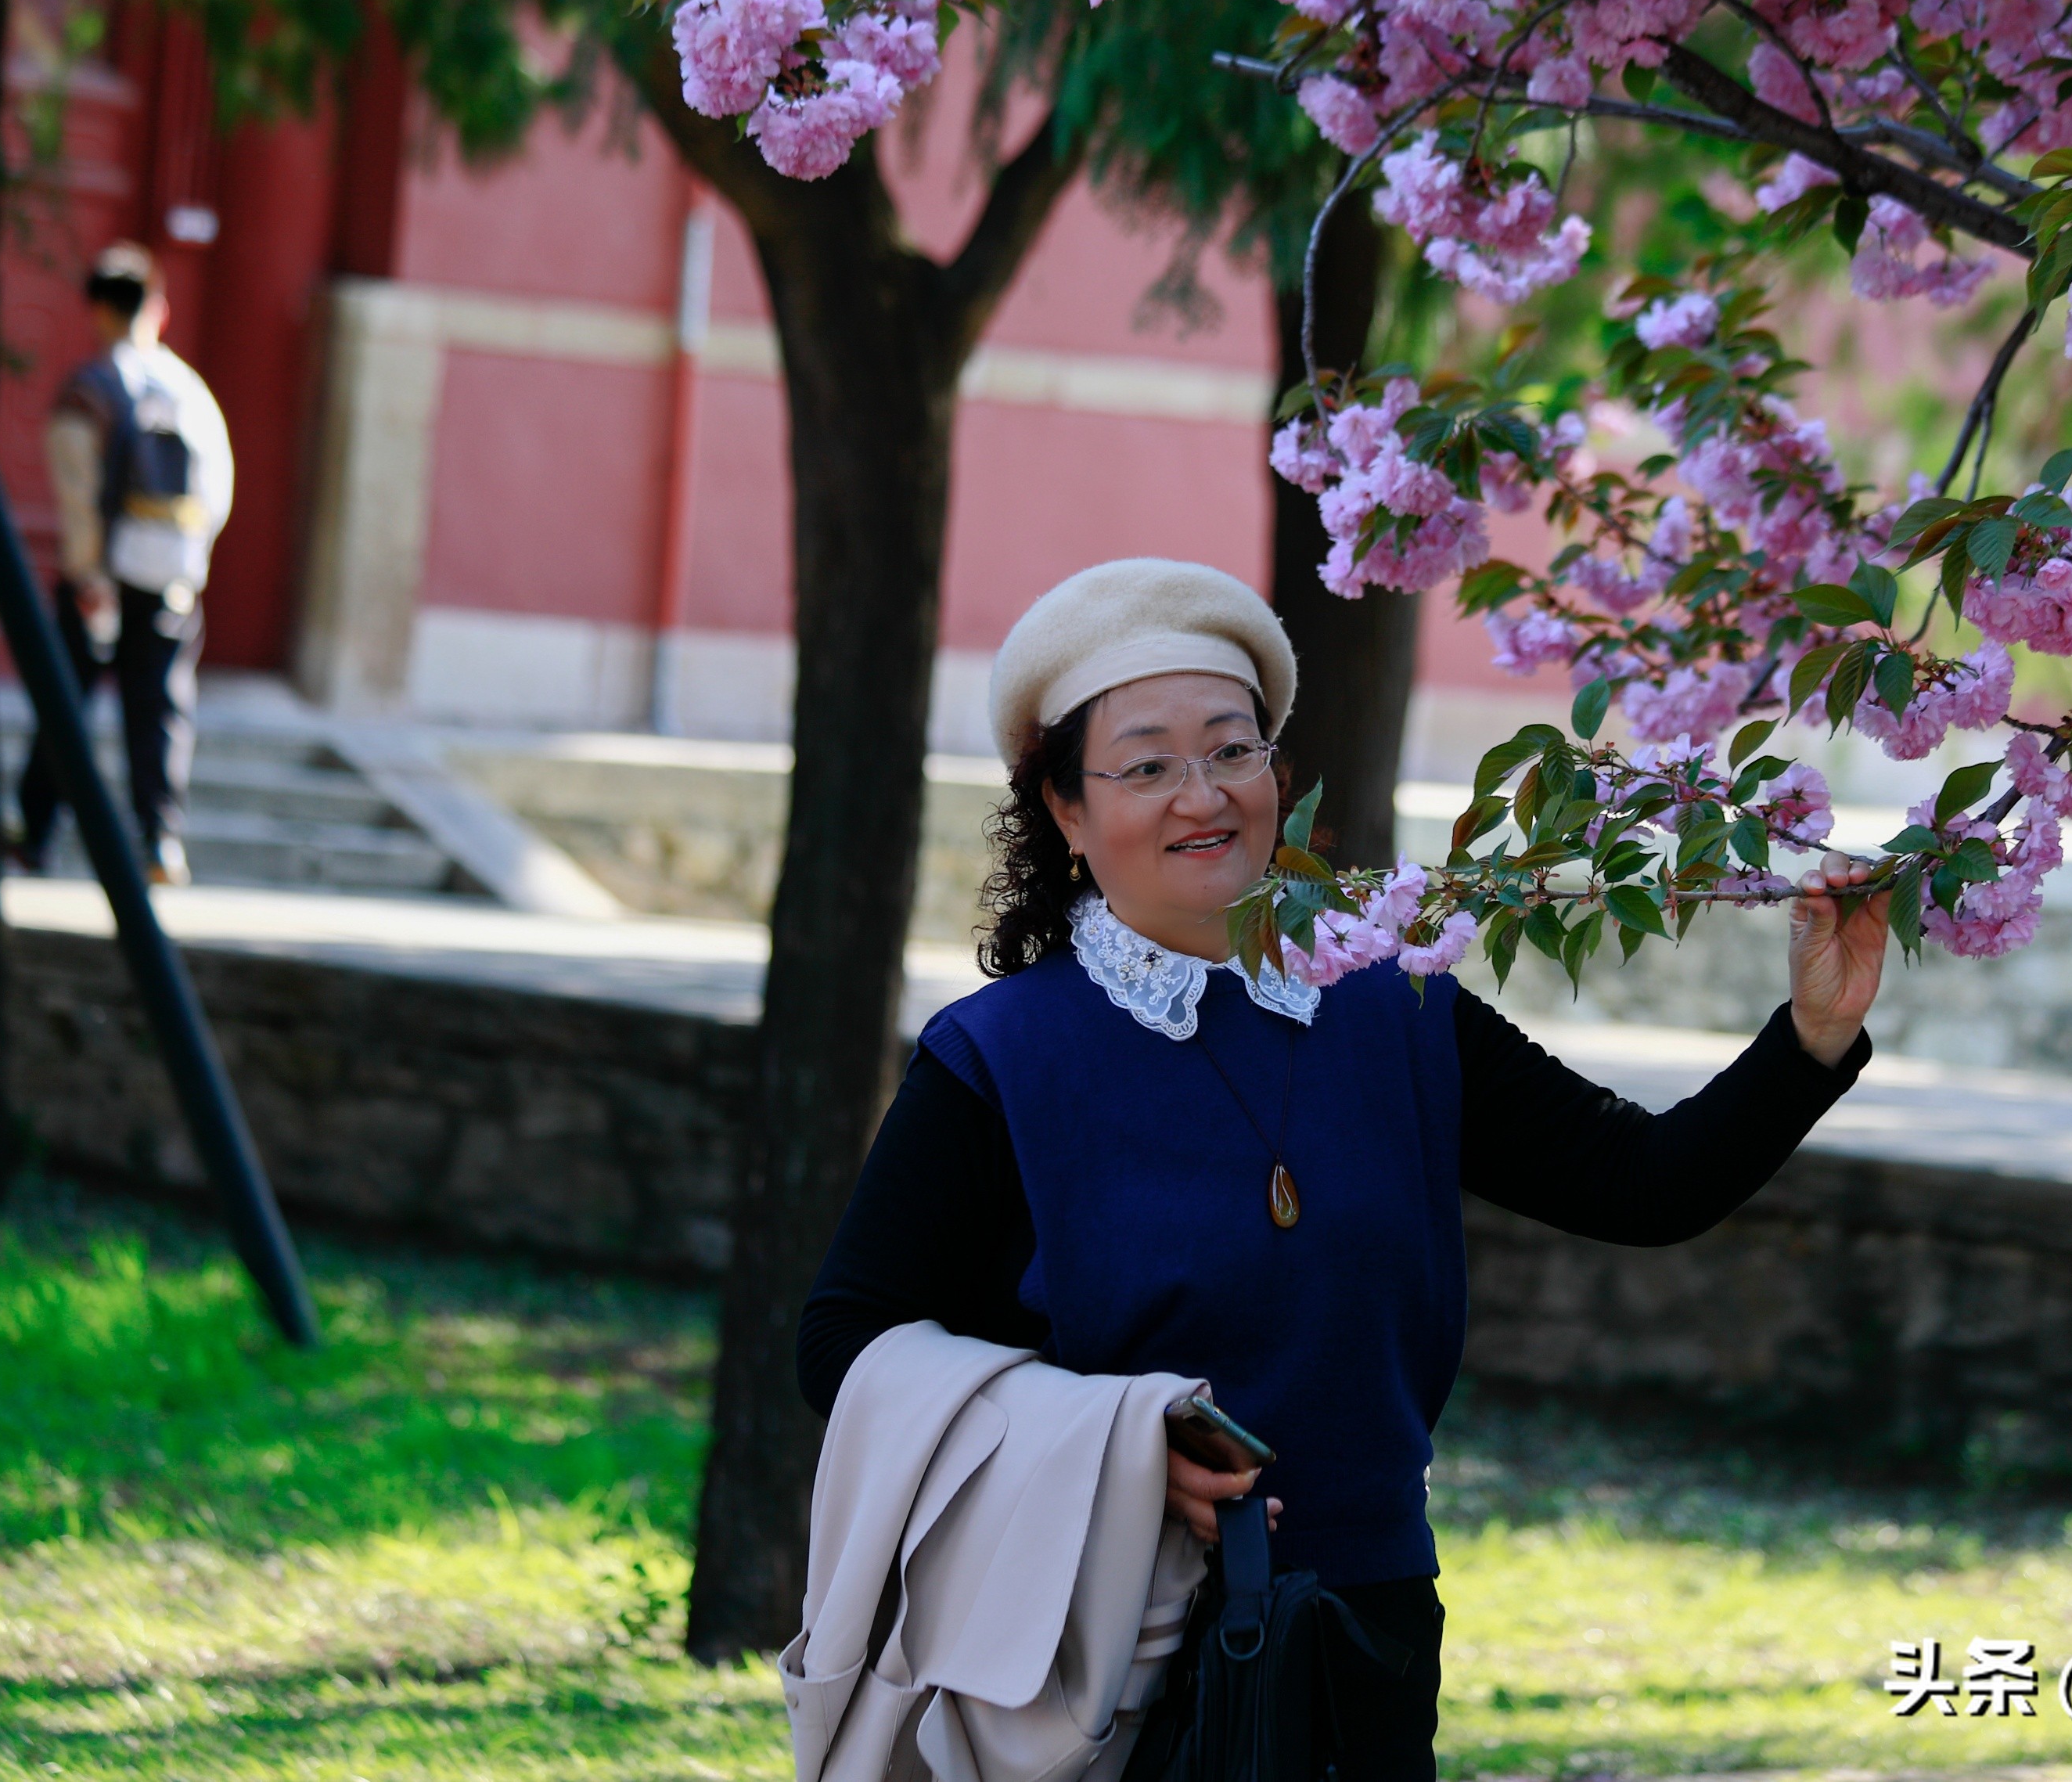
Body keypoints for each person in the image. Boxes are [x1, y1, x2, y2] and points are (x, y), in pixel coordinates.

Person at [798, 557, 1892, 1782]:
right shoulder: (1000, 1057)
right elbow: (844, 1338)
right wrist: (1116, 1454)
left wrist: (1810, 1038)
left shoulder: (1395, 1004)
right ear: (1062, 807)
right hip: (1099, 1633)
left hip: (1371, 1615)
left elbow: (1640, 1183)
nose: (1202, 794)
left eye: (1233, 748)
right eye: (1147, 763)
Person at [12, 243, 232, 887]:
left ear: (99, 310)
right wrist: (191, 568)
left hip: (102, 574)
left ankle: (37, 837)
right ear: (158, 309)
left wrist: (88, 575)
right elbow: (218, 489)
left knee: (67, 705)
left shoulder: (90, 389)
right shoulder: (192, 392)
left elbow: (78, 493)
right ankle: (159, 841)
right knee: (161, 709)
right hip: (172, 576)